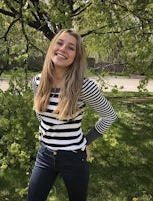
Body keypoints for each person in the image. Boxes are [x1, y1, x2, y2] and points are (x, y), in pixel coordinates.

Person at [27, 29, 117, 201]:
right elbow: (41, 115)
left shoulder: (84, 87)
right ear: (52, 46)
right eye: (59, 43)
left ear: (76, 56)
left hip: (73, 157)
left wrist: (86, 141)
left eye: (71, 47)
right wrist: (48, 134)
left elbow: (109, 116)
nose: (62, 49)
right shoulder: (38, 81)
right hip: (44, 155)